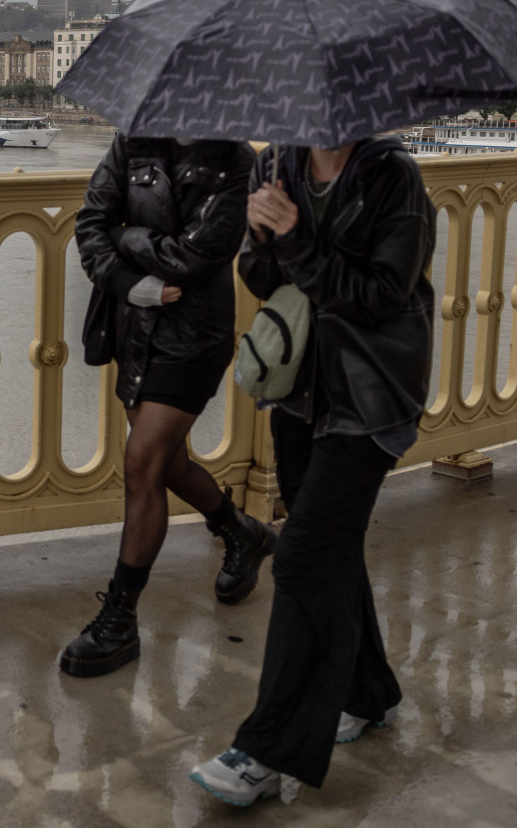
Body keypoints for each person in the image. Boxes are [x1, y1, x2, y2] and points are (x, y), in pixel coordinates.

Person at [190, 134, 435, 805]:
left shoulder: (394, 180)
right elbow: (260, 278)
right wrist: (262, 239)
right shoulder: (278, 166)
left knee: (300, 558)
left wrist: (294, 238)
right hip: (301, 386)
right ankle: (370, 690)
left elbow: (382, 295)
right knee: (326, 542)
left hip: (372, 392)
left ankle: (269, 752)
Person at [63, 133, 276, 678]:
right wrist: (128, 282)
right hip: (135, 327)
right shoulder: (131, 143)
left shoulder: (236, 161)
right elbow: (90, 224)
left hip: (193, 336)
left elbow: (196, 255)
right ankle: (239, 531)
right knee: (166, 462)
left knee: (141, 463)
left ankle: (121, 617)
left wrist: (126, 233)